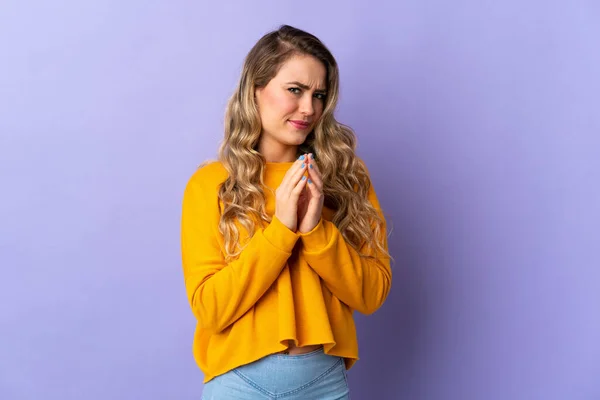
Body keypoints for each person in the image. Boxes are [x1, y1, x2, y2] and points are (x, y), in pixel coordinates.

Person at [181, 24, 392, 399]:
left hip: (322, 384)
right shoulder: (210, 184)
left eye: (319, 94)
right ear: (256, 90)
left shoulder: (346, 179)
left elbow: (372, 295)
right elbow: (210, 310)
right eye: (294, 90)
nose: (308, 108)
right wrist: (282, 229)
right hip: (238, 384)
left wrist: (315, 231)